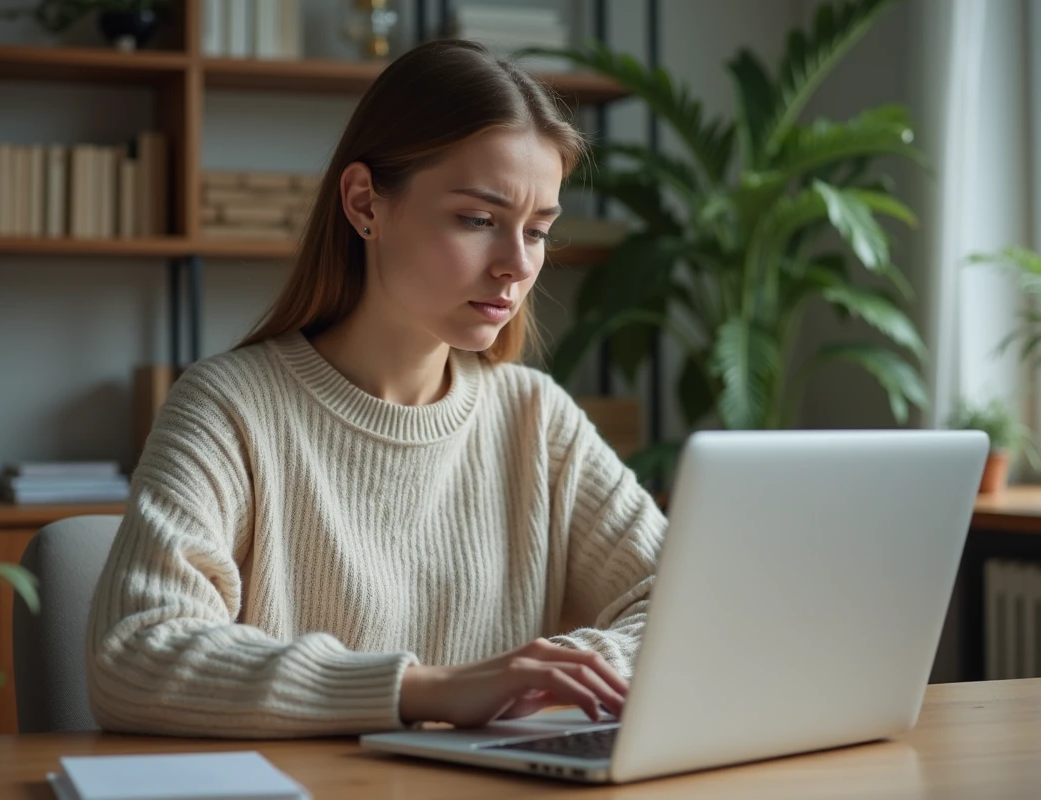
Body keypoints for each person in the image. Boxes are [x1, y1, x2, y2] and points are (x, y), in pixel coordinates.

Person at [85, 38, 667, 739]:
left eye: (538, 231)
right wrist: (429, 691)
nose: (516, 265)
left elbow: (682, 602)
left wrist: (555, 671)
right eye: (479, 220)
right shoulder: (229, 408)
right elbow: (135, 654)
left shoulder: (537, 419)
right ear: (366, 203)